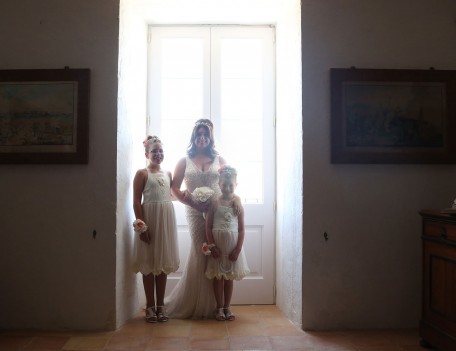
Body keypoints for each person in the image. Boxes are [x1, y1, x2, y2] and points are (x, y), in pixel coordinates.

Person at [165, 119, 240, 319]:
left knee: (218, 252)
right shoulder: (184, 161)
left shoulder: (219, 159)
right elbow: (174, 188)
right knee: (202, 251)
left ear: (210, 138)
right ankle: (199, 303)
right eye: (198, 134)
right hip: (194, 212)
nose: (202, 138)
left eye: (205, 134)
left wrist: (232, 202)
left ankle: (220, 305)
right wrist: (192, 203)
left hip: (217, 212)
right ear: (193, 137)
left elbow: (230, 183)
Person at [132, 135, 179, 323]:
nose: (158, 154)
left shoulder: (167, 174)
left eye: (161, 151)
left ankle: (161, 305)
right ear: (147, 154)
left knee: (161, 265)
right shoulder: (142, 174)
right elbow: (136, 201)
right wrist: (142, 227)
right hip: (150, 220)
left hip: (165, 221)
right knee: (149, 264)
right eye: (154, 151)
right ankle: (150, 306)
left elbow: (169, 196)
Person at [205, 165, 250, 321]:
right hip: (218, 247)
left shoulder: (238, 204)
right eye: (224, 184)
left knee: (229, 278)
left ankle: (227, 307)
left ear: (236, 185)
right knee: (218, 277)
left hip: (232, 247)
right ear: (219, 185)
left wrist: (238, 249)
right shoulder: (214, 203)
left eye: (231, 185)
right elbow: (208, 226)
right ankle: (219, 308)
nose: (227, 188)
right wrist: (211, 245)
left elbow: (242, 229)